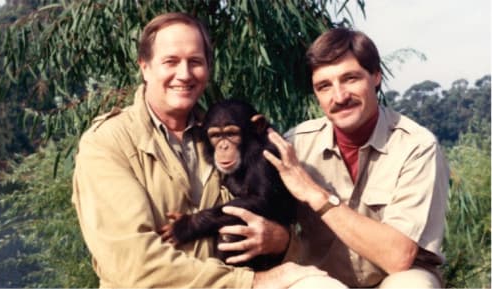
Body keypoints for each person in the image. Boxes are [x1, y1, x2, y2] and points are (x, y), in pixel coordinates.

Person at [71, 12, 328, 288]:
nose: (184, 74)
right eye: (170, 61)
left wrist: (281, 240)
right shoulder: (107, 143)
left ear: (207, 69)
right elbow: (134, 264)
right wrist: (250, 282)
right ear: (144, 67)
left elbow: (273, 212)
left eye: (195, 62)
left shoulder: (224, 129)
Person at [263, 27, 449, 288]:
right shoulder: (296, 144)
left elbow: (398, 258)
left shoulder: (416, 146)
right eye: (324, 86)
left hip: (397, 276)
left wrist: (317, 195)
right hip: (323, 280)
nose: (339, 97)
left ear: (375, 76)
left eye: (350, 79)